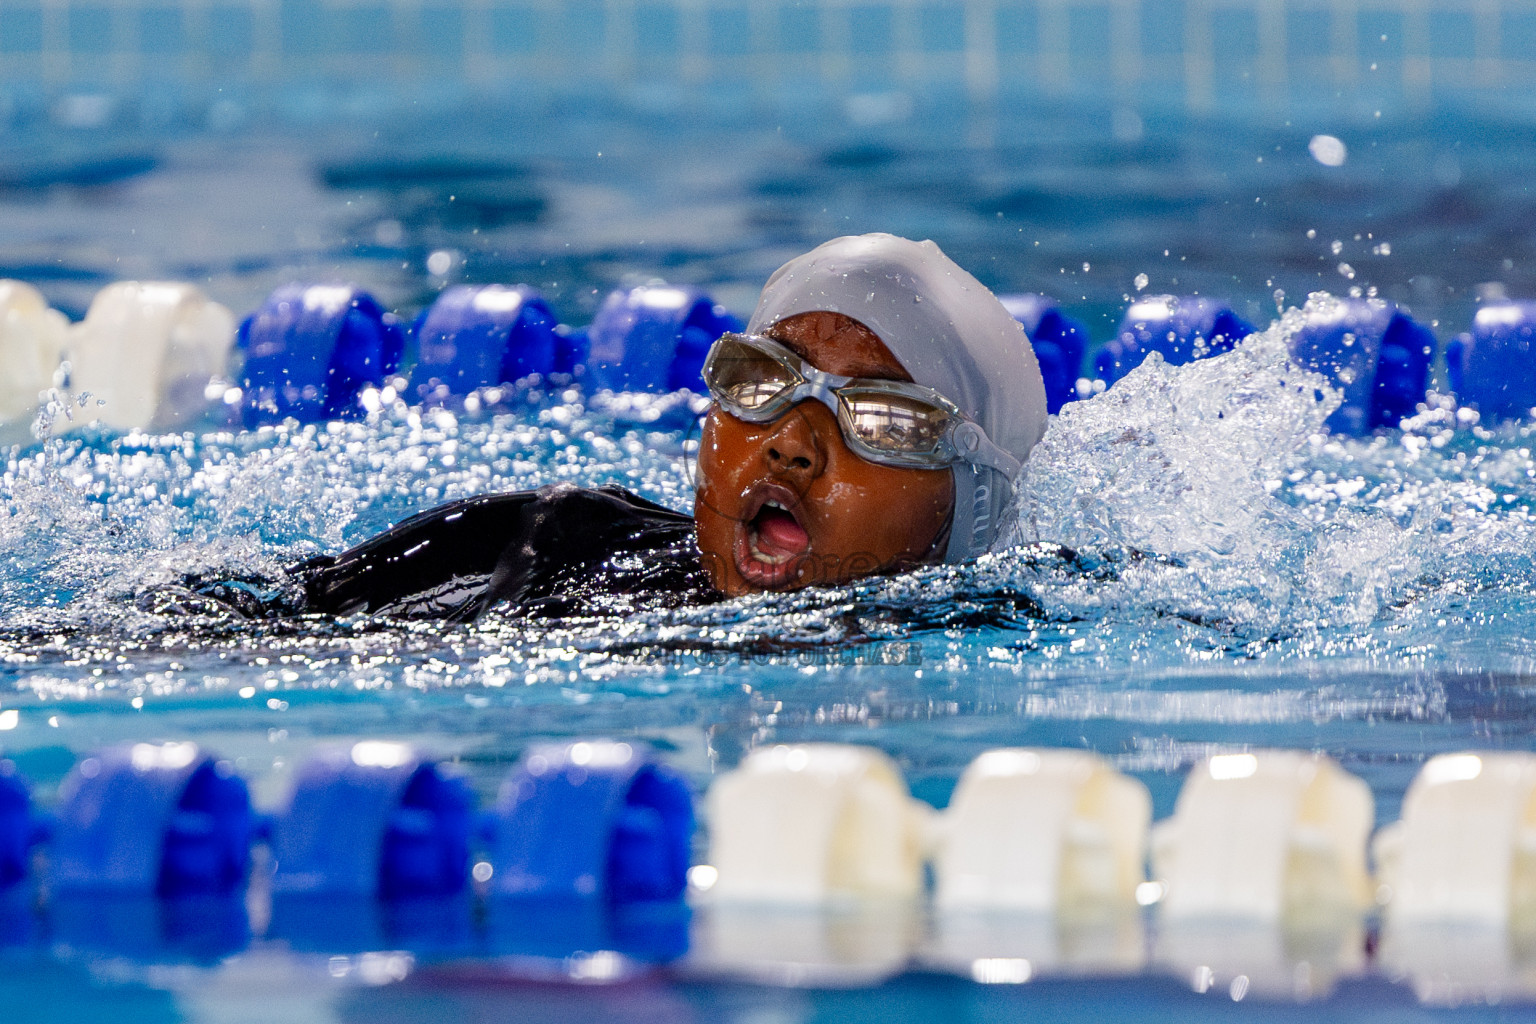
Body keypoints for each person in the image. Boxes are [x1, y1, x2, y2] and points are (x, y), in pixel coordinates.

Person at [156, 234, 1048, 622]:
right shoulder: (544, 540)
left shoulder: (1015, 648)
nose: (789, 438)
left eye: (884, 419)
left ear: (973, 502)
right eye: (762, 380)